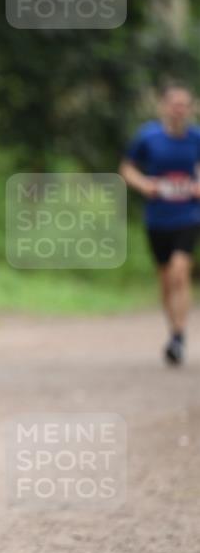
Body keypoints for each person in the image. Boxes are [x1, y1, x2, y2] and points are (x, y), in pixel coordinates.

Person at [119, 83, 200, 365]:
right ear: (164, 106)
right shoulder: (148, 137)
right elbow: (127, 168)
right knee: (166, 279)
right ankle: (174, 332)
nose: (179, 109)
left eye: (184, 104)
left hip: (188, 215)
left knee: (180, 271)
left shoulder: (196, 138)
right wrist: (144, 184)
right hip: (157, 218)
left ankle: (180, 336)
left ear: (190, 108)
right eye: (174, 104)